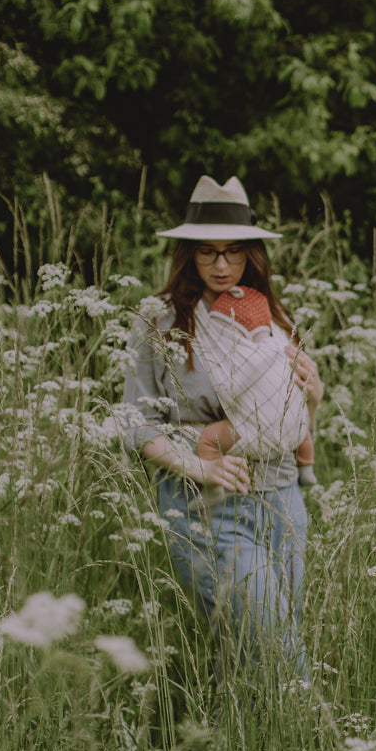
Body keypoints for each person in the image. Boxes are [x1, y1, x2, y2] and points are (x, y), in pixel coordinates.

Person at [118, 174, 322, 688]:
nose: (222, 266)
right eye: (207, 253)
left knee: (262, 645)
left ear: (252, 254)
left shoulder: (270, 314)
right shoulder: (159, 319)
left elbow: (290, 417)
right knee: (273, 645)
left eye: (233, 252)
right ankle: (312, 746)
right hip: (204, 502)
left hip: (283, 500)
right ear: (188, 254)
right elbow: (134, 422)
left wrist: (313, 396)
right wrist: (198, 465)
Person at [194, 283, 318, 505]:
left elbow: (231, 389)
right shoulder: (281, 344)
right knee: (299, 425)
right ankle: (307, 466)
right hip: (294, 427)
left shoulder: (245, 358)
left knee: (208, 440)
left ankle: (212, 488)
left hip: (254, 430)